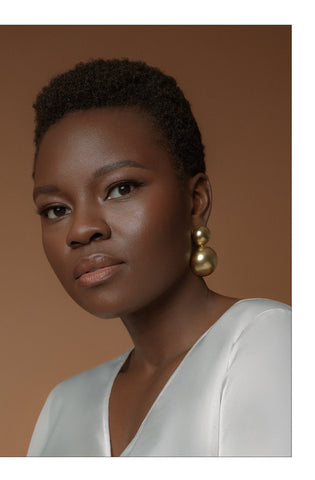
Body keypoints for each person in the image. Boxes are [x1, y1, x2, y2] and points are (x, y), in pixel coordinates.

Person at [27, 59, 291, 457]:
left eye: (120, 189)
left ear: (196, 201)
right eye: (56, 209)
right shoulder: (63, 406)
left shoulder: (266, 341)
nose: (81, 229)